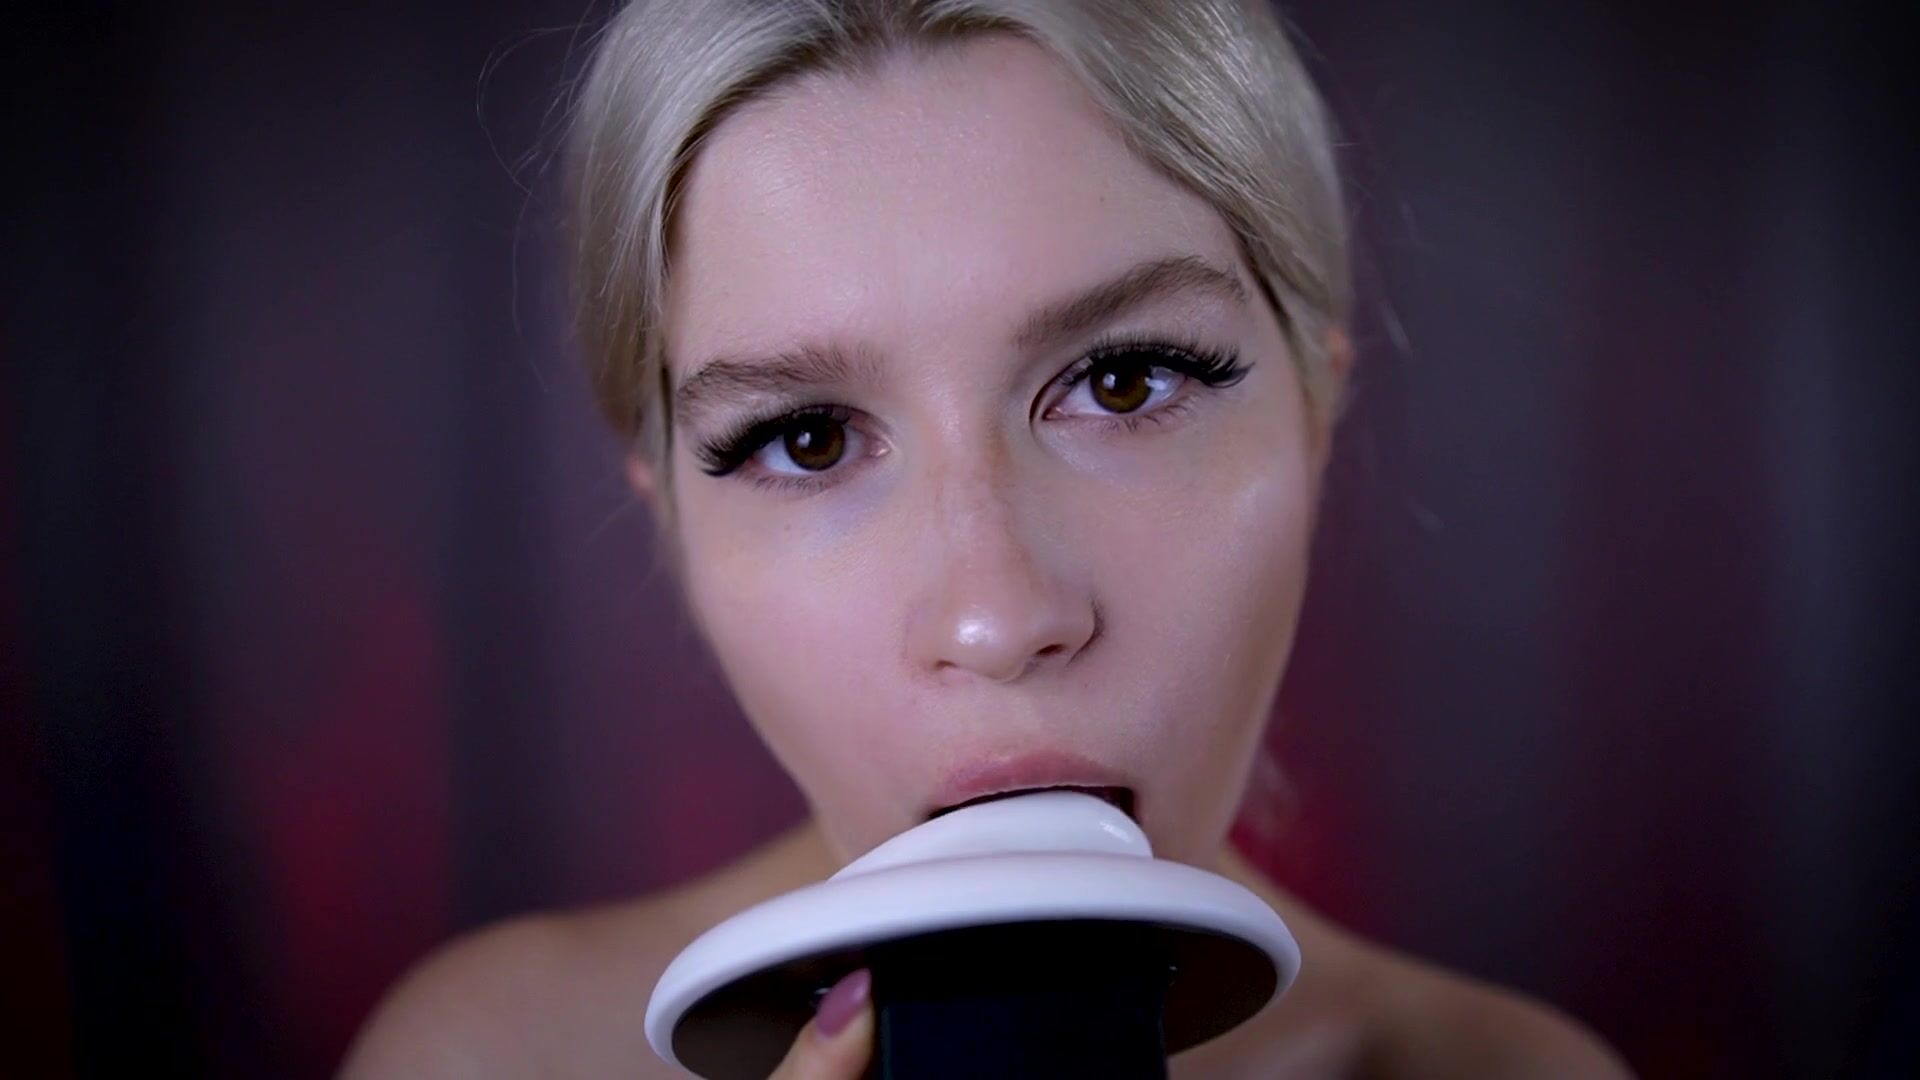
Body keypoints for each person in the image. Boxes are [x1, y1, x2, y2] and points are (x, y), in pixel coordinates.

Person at [343, 1, 1634, 1075]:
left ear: (1313, 415)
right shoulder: (489, 1057)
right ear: (670, 520)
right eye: (807, 440)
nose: (998, 617)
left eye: (1125, 381)